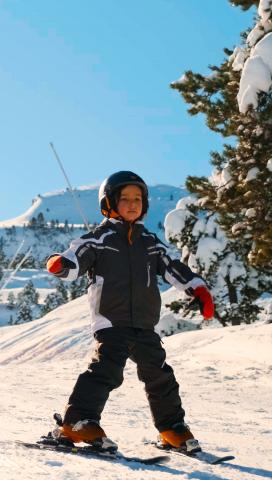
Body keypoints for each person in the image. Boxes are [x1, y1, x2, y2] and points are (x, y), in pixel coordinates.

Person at [46, 171, 215, 453]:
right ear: (109, 203)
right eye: (124, 198)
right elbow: (76, 256)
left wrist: (196, 288)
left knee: (160, 376)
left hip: (145, 325)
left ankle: (172, 428)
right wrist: (61, 263)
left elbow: (173, 266)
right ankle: (77, 422)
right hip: (111, 321)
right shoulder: (101, 238)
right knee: (106, 371)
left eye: (138, 199)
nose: (132, 204)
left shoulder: (149, 242)